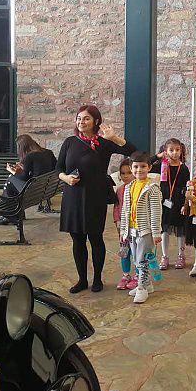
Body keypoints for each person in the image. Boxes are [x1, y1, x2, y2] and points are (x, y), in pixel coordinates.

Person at [57, 105, 135, 294]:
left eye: (86, 119)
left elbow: (134, 152)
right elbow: (58, 168)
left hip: (95, 197)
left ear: (96, 121)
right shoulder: (70, 142)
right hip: (73, 196)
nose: (81, 122)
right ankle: (82, 280)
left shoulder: (104, 143)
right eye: (79, 118)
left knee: (95, 238)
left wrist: (114, 138)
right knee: (77, 239)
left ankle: (97, 279)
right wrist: (66, 178)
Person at [118, 152, 162, 304]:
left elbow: (156, 212)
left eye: (143, 166)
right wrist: (123, 230)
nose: (139, 170)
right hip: (132, 230)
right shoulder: (129, 187)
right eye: (136, 167)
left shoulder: (152, 188)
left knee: (143, 260)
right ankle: (147, 285)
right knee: (136, 260)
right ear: (131, 168)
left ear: (149, 167)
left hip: (146, 231)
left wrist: (156, 232)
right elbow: (125, 210)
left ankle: (142, 288)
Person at [0, 134, 57, 225]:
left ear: (22, 147)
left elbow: (25, 177)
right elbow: (53, 168)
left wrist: (13, 171)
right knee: (11, 183)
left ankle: (10, 215)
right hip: (45, 188)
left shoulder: (29, 156)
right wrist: (23, 168)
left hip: (33, 191)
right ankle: (15, 214)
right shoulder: (48, 152)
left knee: (10, 180)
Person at [151, 138, 191, 271]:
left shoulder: (183, 168)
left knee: (180, 230)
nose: (175, 153)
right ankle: (165, 256)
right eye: (171, 150)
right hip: (163, 202)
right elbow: (146, 163)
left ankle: (181, 255)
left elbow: (186, 188)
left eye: (177, 150)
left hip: (179, 202)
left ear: (181, 151)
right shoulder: (161, 166)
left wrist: (185, 204)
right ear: (165, 151)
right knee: (164, 229)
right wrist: (157, 156)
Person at [113, 158, 138, 290]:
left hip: (136, 226)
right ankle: (125, 275)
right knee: (124, 250)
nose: (126, 176)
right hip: (123, 227)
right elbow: (117, 207)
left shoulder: (138, 188)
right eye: (123, 173)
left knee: (137, 252)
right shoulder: (120, 189)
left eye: (129, 172)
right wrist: (117, 221)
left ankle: (138, 275)